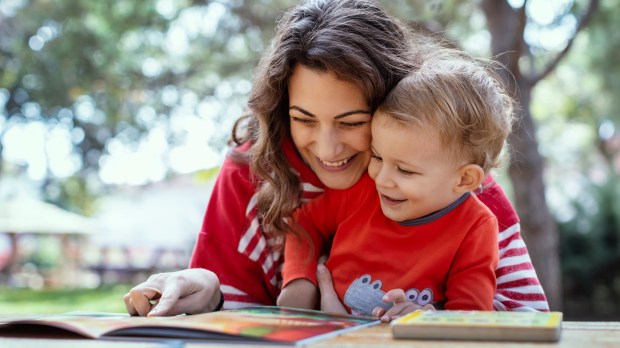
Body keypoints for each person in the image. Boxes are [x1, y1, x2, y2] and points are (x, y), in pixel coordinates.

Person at [124, 0, 548, 317]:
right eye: (303, 119)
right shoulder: (251, 173)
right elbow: (227, 315)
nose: (327, 150)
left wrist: (425, 317)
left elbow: (529, 315)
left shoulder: (445, 177)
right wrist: (208, 287)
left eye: (351, 122)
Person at [278, 53, 513, 321]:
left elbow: (469, 317)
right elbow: (303, 222)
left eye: (405, 170)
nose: (381, 178)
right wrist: (300, 279)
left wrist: (427, 317)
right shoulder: (363, 190)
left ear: (464, 179)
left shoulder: (475, 227)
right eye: (377, 156)